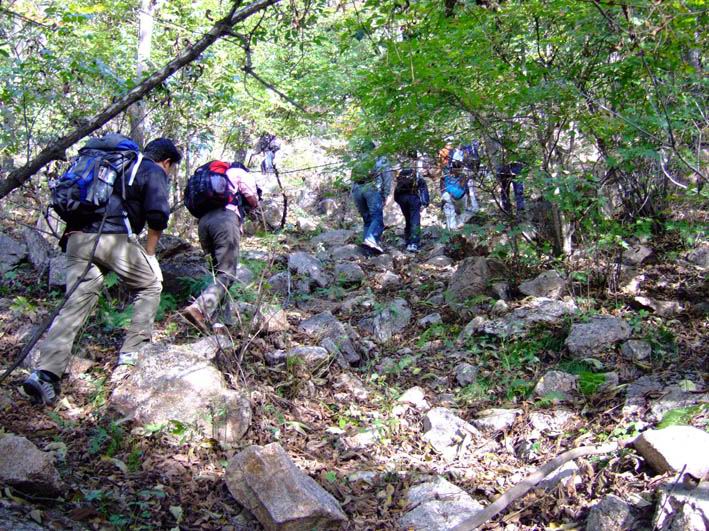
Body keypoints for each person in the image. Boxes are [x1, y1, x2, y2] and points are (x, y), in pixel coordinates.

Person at [21, 138, 182, 405]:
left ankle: (45, 374)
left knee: (75, 302)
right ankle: (132, 355)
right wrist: (150, 255)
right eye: (171, 168)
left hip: (76, 239)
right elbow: (157, 215)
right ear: (166, 162)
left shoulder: (110, 165)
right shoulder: (151, 169)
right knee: (150, 285)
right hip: (111, 239)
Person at [181, 162, 260, 332]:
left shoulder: (211, 177)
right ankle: (199, 308)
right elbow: (251, 196)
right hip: (225, 220)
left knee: (218, 274)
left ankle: (219, 324)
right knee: (227, 274)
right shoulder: (238, 172)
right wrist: (255, 204)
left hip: (204, 224)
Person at [350, 140, 393, 253]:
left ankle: (367, 251)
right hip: (372, 189)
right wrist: (385, 195)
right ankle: (370, 240)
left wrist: (354, 195)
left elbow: (353, 180)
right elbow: (387, 178)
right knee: (377, 218)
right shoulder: (381, 158)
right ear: (374, 148)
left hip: (357, 190)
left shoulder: (358, 160)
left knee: (367, 220)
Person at [394, 151, 425, 253]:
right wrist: (425, 202)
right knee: (415, 220)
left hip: (402, 198)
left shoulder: (401, 173)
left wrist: (398, 200)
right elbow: (423, 187)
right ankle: (414, 243)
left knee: (408, 220)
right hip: (413, 198)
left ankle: (408, 242)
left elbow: (397, 189)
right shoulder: (415, 172)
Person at [441, 151, 469, 230]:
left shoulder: (462, 176)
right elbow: (443, 188)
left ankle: (457, 226)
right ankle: (452, 228)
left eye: (458, 168)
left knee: (458, 212)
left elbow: (463, 186)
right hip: (451, 196)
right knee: (452, 212)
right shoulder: (447, 177)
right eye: (456, 168)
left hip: (459, 196)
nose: (457, 170)